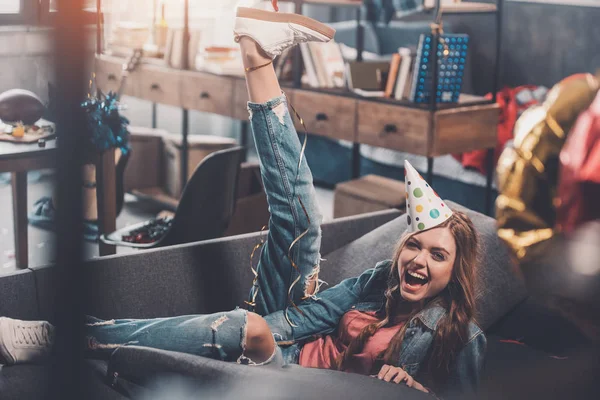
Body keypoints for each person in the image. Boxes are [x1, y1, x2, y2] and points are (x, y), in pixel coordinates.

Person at [0, 3, 485, 397]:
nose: (419, 258)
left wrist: (417, 389)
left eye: (437, 254)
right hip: (290, 338)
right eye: (415, 245)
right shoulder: (383, 281)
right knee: (302, 225)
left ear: (454, 272)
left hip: (297, 382)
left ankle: (55, 336)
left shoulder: (457, 337)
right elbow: (307, 316)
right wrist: (260, 323)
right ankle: (256, 56)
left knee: (249, 328)